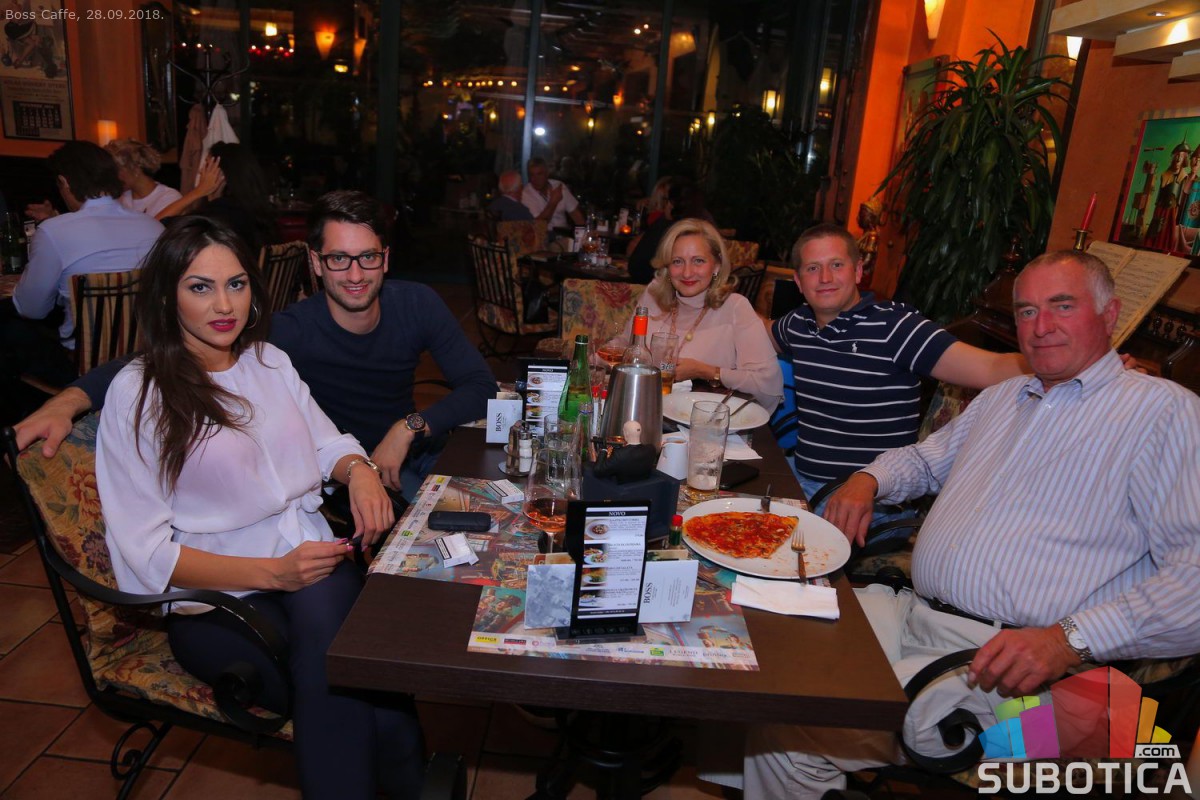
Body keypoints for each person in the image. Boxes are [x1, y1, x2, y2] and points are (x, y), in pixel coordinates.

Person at [743, 250, 1200, 798]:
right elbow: (925, 459)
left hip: (1012, 669)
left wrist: (1067, 641)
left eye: (1063, 306)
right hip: (912, 611)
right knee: (771, 661)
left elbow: (1193, 581)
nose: (1041, 326)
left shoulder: (1162, 413)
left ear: (1110, 314)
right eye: (1027, 310)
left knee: (790, 720)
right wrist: (869, 478)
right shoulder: (1006, 396)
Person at [94, 215, 423, 799]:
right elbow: (145, 554)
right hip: (216, 599)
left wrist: (361, 472)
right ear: (167, 296)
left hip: (308, 565)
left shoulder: (269, 361)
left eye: (236, 284)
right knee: (363, 688)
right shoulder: (140, 393)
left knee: (343, 658)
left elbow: (328, 443)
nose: (224, 305)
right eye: (200, 287)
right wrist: (273, 573)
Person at [16, 190, 496, 507]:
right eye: (338, 259)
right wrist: (68, 399)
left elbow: (481, 385)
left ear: (385, 259)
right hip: (345, 474)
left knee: (497, 507)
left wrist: (410, 427)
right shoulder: (287, 332)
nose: (355, 274)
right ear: (315, 262)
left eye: (367, 257)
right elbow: (160, 356)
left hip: (413, 449)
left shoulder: (417, 304)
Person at [771, 223, 1028, 519]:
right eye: (813, 268)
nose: (825, 277)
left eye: (836, 265)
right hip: (801, 480)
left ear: (857, 271)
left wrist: (1061, 363)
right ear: (798, 281)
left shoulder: (895, 327)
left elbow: (991, 367)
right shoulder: (798, 324)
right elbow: (760, 332)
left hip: (868, 503)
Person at [4, 141, 162, 383]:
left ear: (64, 182)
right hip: (147, 360)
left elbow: (32, 309)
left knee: (10, 329)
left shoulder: (53, 231)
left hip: (81, 369)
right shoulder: (153, 227)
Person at [607, 218, 782, 412]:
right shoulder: (654, 295)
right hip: (641, 410)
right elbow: (625, 344)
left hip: (702, 421)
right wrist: (591, 357)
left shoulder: (735, 308)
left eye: (698, 261)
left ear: (716, 266)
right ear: (667, 267)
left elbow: (768, 385)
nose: (687, 273)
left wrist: (705, 371)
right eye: (677, 261)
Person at [626, 179, 715, 285]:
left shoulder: (666, 227)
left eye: (667, 200)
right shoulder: (704, 227)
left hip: (651, 284)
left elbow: (636, 266)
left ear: (671, 204)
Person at [105, 138, 183, 218]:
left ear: (135, 169)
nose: (112, 177)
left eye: (116, 170)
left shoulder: (169, 198)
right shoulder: (119, 199)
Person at [520, 156, 584, 231]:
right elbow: (539, 225)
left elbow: (577, 216)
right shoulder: (526, 193)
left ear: (547, 173)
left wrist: (583, 235)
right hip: (543, 235)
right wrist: (553, 202)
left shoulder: (558, 186)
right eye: (532, 175)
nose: (535, 179)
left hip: (563, 233)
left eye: (539, 174)